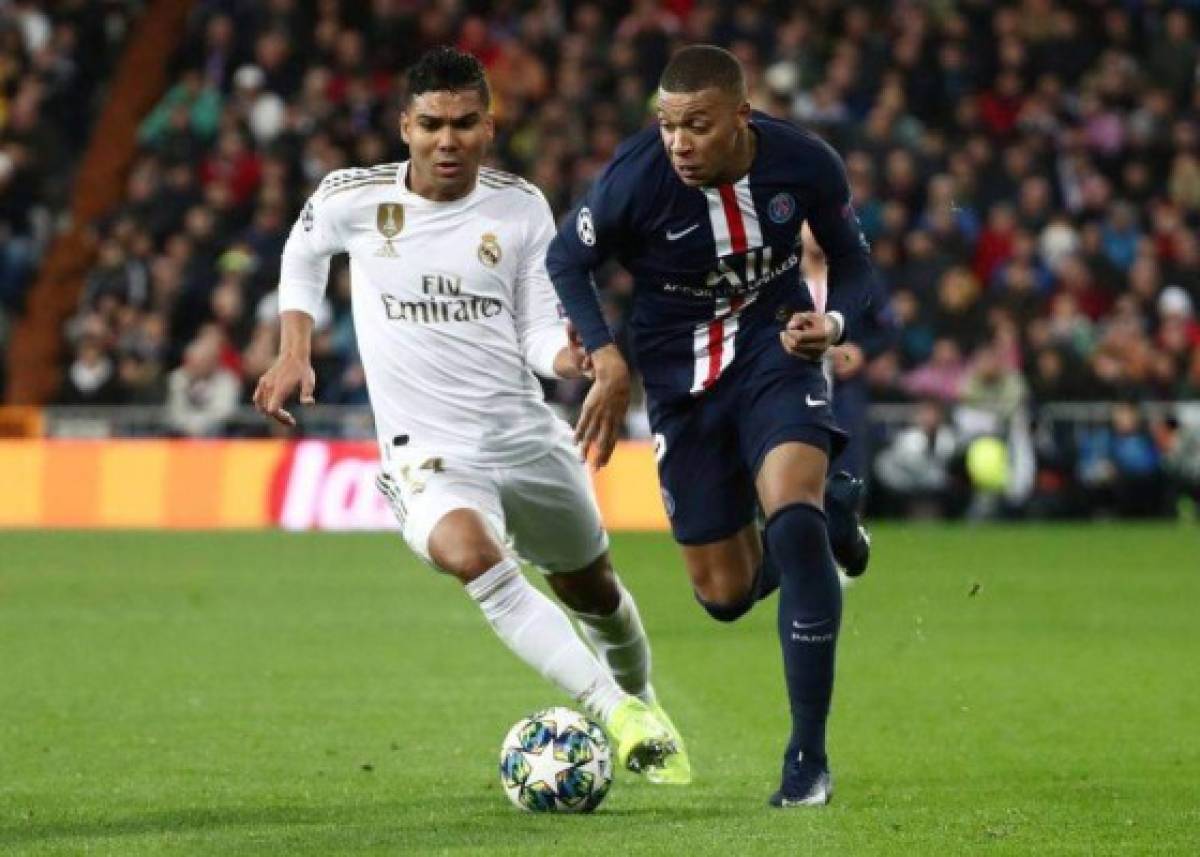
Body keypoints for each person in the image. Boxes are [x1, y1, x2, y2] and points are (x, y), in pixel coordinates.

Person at [253, 47, 689, 783]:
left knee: (597, 593)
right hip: (426, 449)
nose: (445, 140)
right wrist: (294, 348)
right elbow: (303, 254)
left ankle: (643, 703)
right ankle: (613, 710)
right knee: (470, 554)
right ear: (404, 126)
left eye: (463, 123)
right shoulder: (350, 197)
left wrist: (571, 359)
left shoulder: (519, 207)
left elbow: (536, 329)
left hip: (522, 436)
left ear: (489, 126)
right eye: (430, 125)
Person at [546, 45, 881, 806]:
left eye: (696, 125)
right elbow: (567, 260)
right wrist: (606, 357)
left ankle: (807, 758)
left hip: (774, 350)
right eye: (668, 126)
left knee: (788, 526)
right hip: (678, 378)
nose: (680, 144)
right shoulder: (635, 180)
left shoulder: (805, 165)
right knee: (724, 595)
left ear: (741, 115)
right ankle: (835, 510)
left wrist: (829, 322)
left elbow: (857, 265)